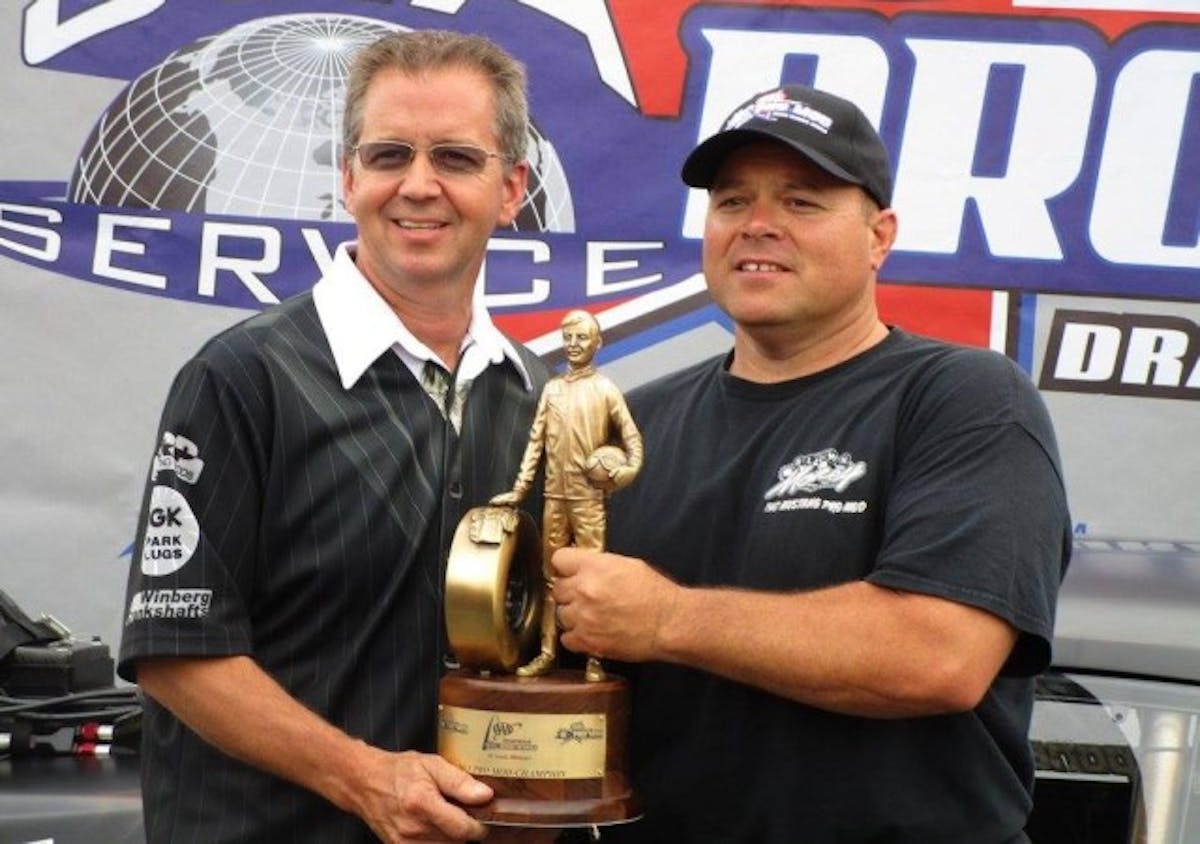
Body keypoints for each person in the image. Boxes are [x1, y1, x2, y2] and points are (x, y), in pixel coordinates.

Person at [547, 84, 1072, 842]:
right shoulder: (636, 422)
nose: (758, 226)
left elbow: (939, 654)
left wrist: (667, 618)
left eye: (802, 202)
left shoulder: (965, 399)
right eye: (732, 202)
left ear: (879, 236)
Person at [117, 30, 550, 843]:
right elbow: (174, 656)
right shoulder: (243, 378)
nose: (418, 186)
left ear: (511, 187)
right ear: (349, 177)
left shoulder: (538, 397)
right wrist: (366, 780)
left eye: (456, 159)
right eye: (390, 156)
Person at [490, 309, 642, 682]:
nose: (574, 345)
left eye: (582, 338)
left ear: (597, 343)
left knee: (594, 581)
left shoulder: (605, 389)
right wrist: (520, 489)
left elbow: (632, 440)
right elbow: (535, 442)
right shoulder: (553, 388)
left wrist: (623, 473)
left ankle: (594, 658)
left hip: (589, 501)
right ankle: (546, 652)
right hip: (554, 498)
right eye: (568, 338)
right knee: (548, 578)